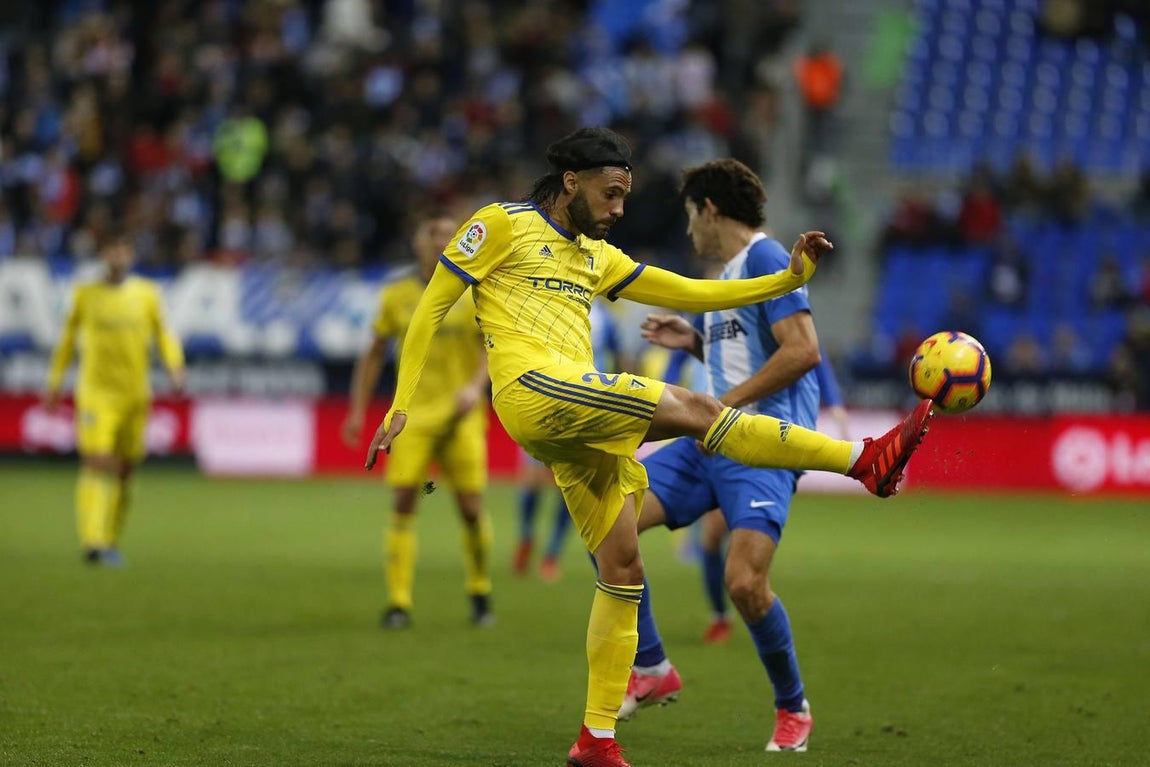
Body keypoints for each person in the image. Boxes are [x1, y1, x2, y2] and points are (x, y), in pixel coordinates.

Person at [364, 127, 934, 767]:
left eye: (624, 198)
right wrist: (401, 403)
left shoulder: (596, 257)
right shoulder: (500, 224)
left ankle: (596, 738)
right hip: (534, 390)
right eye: (610, 194)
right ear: (571, 183)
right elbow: (431, 308)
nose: (618, 209)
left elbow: (693, 292)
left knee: (622, 565)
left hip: (574, 422)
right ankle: (863, 460)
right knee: (699, 410)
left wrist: (790, 279)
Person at [342, 210, 494, 628]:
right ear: (419, 242)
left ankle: (480, 591)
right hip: (411, 416)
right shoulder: (396, 295)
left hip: (462, 415)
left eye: (449, 233)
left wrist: (475, 386)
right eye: (433, 232)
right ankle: (399, 603)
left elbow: (492, 347)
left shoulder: (474, 293)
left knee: (470, 507)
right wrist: (357, 409)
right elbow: (374, 354)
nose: (441, 239)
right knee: (405, 500)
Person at [687, 351, 851, 648]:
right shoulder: (707, 330)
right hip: (707, 428)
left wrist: (835, 403)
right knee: (711, 536)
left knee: (746, 550)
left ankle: (756, 608)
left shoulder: (767, 331)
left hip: (753, 431)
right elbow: (685, 353)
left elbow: (811, 355)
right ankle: (720, 616)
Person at [44, 230, 186, 566]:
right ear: (103, 255)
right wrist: (54, 383)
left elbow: (164, 334)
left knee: (124, 469)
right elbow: (67, 341)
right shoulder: (85, 295)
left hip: (135, 394)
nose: (118, 255)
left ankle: (110, 539)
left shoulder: (147, 294)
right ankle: (92, 540)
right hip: (96, 393)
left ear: (131, 255)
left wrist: (175, 366)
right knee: (96, 460)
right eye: (112, 249)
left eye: (124, 249)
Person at [514, 300, 624, 582]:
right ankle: (526, 535)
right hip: (547, 403)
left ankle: (552, 553)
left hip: (588, 408)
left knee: (570, 484)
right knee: (532, 479)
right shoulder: (553, 304)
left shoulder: (604, 317)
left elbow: (619, 357)